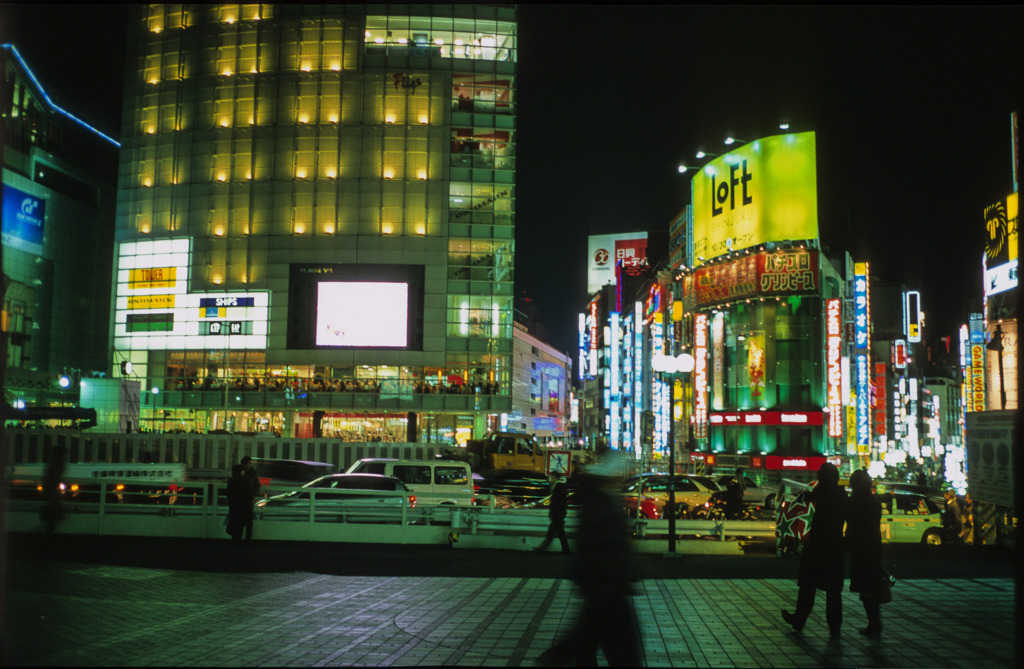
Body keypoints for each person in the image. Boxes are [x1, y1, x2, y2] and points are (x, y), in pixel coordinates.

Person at [538, 453, 640, 666]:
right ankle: (554, 658)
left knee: (585, 642)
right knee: (616, 650)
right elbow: (604, 545)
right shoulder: (602, 504)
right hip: (607, 587)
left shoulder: (600, 500)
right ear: (611, 478)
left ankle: (555, 658)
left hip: (601, 587)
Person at [782, 462, 848, 637]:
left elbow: (796, 515)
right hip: (834, 547)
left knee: (807, 587)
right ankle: (835, 628)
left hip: (814, 546)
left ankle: (799, 620)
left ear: (820, 477)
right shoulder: (842, 497)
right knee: (833, 592)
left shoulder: (813, 496)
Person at [845, 469, 883, 636]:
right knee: (870, 586)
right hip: (873, 545)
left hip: (861, 548)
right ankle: (875, 623)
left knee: (866, 588)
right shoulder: (873, 501)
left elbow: (852, 523)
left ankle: (874, 624)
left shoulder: (856, 502)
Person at [535, 472, 570, 553]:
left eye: (551, 477)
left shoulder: (559, 487)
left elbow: (559, 502)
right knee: (560, 534)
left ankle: (541, 549)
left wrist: (558, 513)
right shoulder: (558, 486)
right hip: (558, 514)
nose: (550, 478)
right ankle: (566, 550)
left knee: (551, 534)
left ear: (554, 477)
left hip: (557, 514)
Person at [225, 464, 252, 542]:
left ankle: (235, 539)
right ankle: (245, 539)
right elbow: (248, 493)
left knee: (235, 523)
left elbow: (229, 493)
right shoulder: (244, 481)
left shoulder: (231, 481)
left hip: (234, 506)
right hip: (243, 506)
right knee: (244, 523)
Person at [238, 456, 260, 539]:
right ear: (245, 464)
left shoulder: (241, 472)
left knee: (242, 519)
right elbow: (256, 485)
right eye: (249, 463)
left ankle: (241, 537)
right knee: (248, 520)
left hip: (244, 499)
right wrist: (253, 495)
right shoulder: (253, 473)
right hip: (247, 499)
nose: (250, 465)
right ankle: (247, 538)